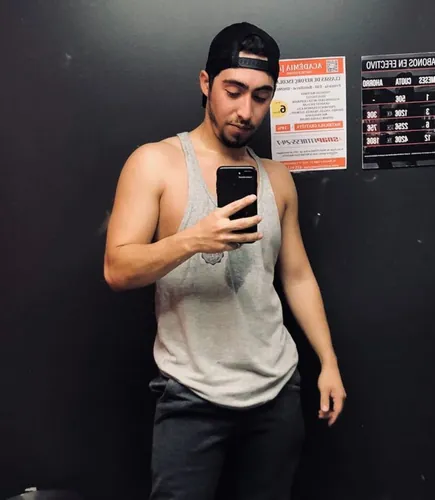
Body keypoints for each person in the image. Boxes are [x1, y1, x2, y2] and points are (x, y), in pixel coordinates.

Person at [104, 21, 346, 500]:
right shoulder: (155, 163)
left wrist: (329, 362)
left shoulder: (277, 178)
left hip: (276, 390)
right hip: (191, 393)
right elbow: (117, 269)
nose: (245, 111)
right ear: (205, 83)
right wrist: (193, 240)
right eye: (233, 91)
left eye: (261, 96)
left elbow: (297, 276)